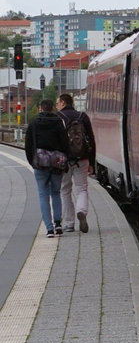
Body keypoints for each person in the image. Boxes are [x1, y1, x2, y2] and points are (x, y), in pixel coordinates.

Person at [24, 98, 69, 237]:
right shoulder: (58, 122)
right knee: (56, 193)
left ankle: (49, 229)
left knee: (43, 195)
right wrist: (65, 161)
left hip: (40, 163)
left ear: (40, 109)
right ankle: (58, 224)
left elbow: (28, 145)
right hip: (56, 163)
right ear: (52, 109)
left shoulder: (34, 123)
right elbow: (65, 143)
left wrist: (33, 162)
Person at [57, 92, 96, 234]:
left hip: (64, 160)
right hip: (83, 158)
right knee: (82, 189)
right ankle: (82, 211)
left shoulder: (58, 117)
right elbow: (91, 140)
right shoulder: (83, 116)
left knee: (65, 190)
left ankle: (68, 223)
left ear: (62, 102)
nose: (57, 106)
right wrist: (92, 162)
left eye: (57, 103)